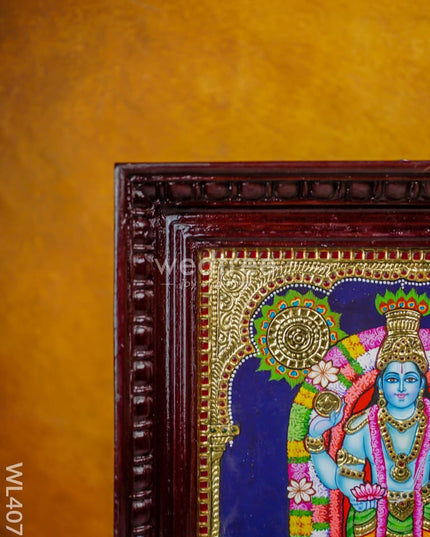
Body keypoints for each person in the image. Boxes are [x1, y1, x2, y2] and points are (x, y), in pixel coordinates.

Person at [305, 297, 430, 537]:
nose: (401, 387)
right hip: (372, 517)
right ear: (380, 384)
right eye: (392, 379)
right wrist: (315, 437)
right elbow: (340, 479)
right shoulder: (363, 425)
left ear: (421, 385)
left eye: (410, 379)